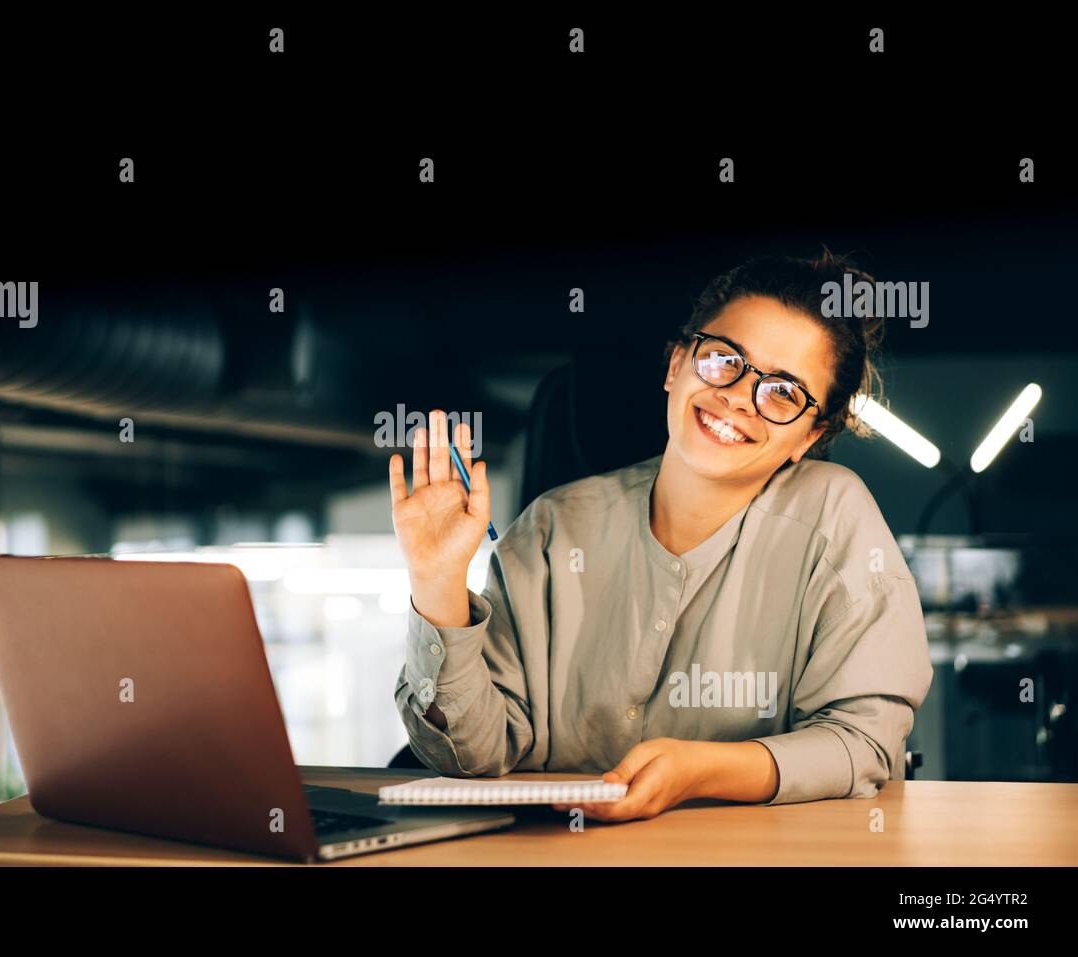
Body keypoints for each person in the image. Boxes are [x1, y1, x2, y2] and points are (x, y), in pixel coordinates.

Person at [387, 251, 934, 822]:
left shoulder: (833, 514)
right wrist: (437, 579)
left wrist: (700, 770)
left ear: (809, 435)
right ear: (677, 365)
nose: (739, 397)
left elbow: (864, 744)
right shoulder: (552, 527)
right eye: (725, 359)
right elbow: (475, 754)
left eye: (783, 393)